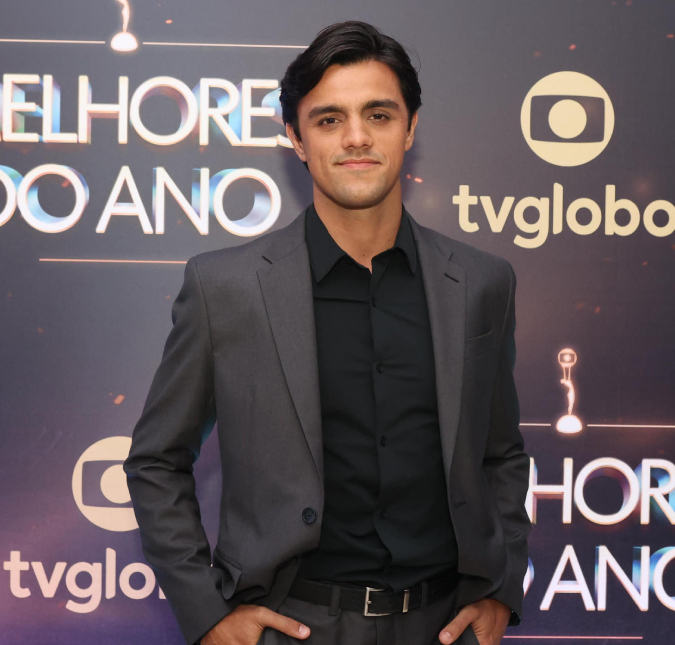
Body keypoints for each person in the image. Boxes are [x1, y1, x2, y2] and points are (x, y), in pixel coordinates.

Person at [123, 19, 531, 645]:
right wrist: (207, 613)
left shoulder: (481, 283)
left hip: (444, 625)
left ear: (410, 128)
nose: (357, 137)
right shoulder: (225, 288)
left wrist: (501, 587)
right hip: (292, 625)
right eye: (329, 119)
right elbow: (156, 460)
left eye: (379, 114)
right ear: (296, 137)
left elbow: (500, 455)